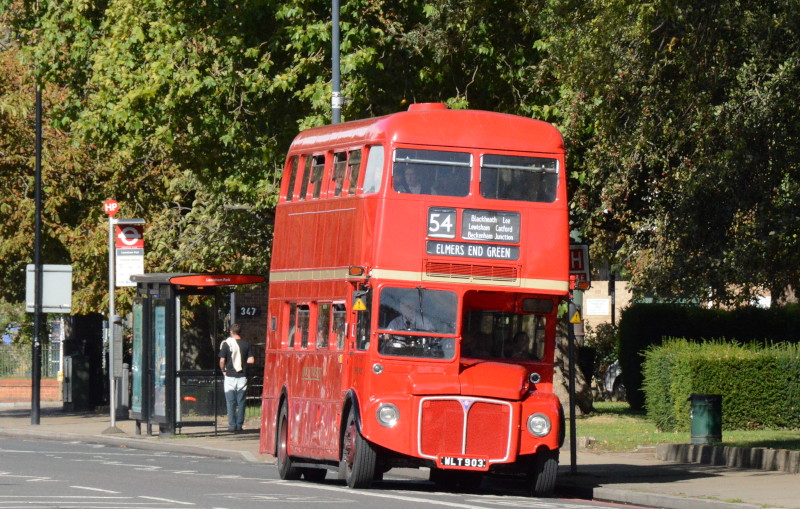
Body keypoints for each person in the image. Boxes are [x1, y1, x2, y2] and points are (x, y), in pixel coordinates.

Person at [218, 323, 254, 432]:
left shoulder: (227, 345)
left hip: (229, 376)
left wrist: (223, 370)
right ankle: (239, 425)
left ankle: (232, 425)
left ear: (231, 332)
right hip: (242, 376)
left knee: (231, 402)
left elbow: (222, 360)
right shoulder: (246, 344)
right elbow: (251, 360)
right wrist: (243, 362)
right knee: (241, 402)